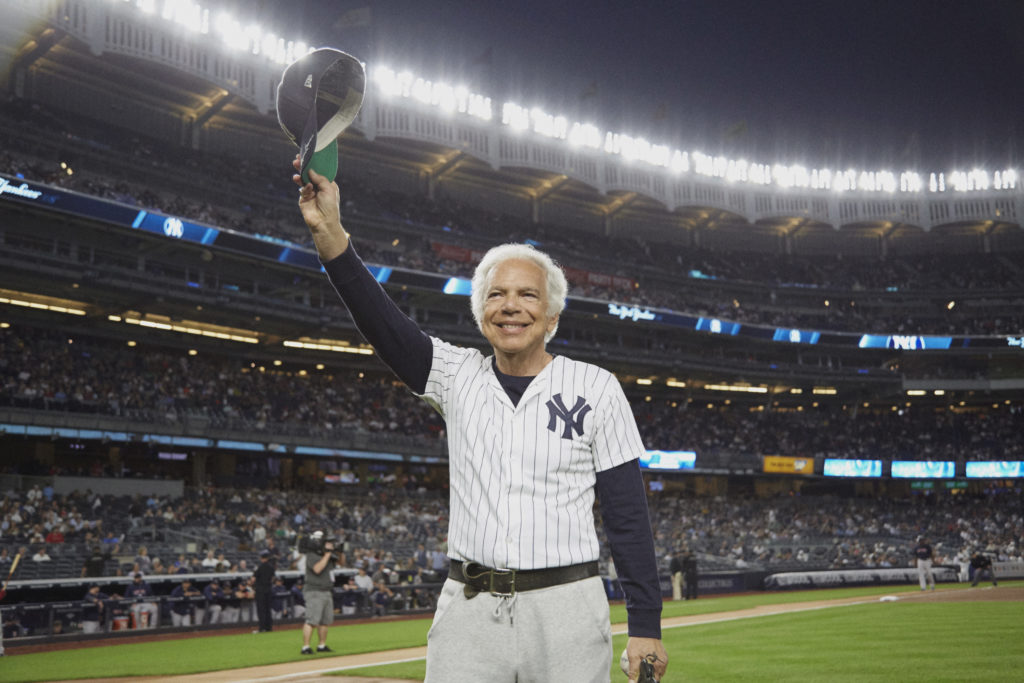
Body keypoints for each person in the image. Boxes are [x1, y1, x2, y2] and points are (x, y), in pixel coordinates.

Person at [294, 163, 667, 682]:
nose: (510, 306)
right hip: (469, 611)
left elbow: (628, 516)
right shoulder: (454, 374)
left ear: (553, 316)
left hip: (566, 609)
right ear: (480, 312)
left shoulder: (597, 386)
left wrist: (645, 623)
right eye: (496, 294)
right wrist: (330, 234)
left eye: (527, 295)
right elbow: (381, 322)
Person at [300, 530, 337, 655]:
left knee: (325, 621)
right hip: (314, 590)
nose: (330, 544)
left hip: (326, 590)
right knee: (312, 620)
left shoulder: (329, 556)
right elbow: (317, 569)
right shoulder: (312, 555)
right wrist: (327, 554)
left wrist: (339, 552)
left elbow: (342, 562)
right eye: (328, 542)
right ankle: (305, 647)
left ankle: (322, 645)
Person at [253, 549, 276, 632]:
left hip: (260, 590)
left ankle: (262, 628)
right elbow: (273, 579)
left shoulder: (259, 567)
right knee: (268, 609)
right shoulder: (271, 567)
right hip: (268, 590)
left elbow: (253, 578)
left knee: (261, 609)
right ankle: (269, 627)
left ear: (262, 558)